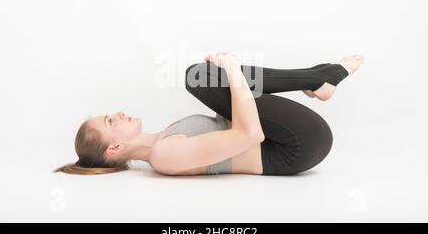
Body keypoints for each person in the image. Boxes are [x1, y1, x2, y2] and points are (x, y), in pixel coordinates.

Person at [55, 51, 364, 176]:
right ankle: (320, 77)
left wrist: (229, 75)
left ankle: (319, 79)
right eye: (111, 121)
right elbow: (250, 134)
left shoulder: (165, 137)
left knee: (200, 75)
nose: (119, 113)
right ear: (114, 148)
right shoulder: (164, 156)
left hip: (285, 138)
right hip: (298, 146)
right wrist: (231, 69)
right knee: (199, 76)